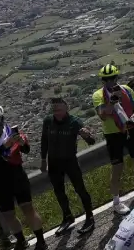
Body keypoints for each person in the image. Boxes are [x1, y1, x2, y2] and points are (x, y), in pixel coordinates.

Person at [0, 105, 48, 250]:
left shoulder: (12, 132)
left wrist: (22, 143)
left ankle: (41, 241)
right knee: (8, 214)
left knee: (28, 208)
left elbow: (26, 150)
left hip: (17, 175)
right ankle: (21, 241)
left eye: (0, 118)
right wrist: (5, 146)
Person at [92, 62, 134, 211]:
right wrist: (112, 101)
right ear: (102, 81)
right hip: (113, 134)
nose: (110, 81)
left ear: (117, 77)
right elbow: (103, 116)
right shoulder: (98, 95)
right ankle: (116, 202)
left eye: (113, 78)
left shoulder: (126, 89)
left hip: (131, 128)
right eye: (106, 79)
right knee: (117, 167)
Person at [37, 96, 96, 232]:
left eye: (59, 107)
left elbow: (91, 141)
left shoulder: (74, 122)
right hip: (53, 162)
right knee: (59, 191)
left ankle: (90, 217)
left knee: (80, 189)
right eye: (54, 108)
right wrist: (43, 160)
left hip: (70, 161)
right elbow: (44, 140)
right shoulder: (48, 121)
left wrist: (86, 136)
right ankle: (67, 216)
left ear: (66, 107)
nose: (56, 110)